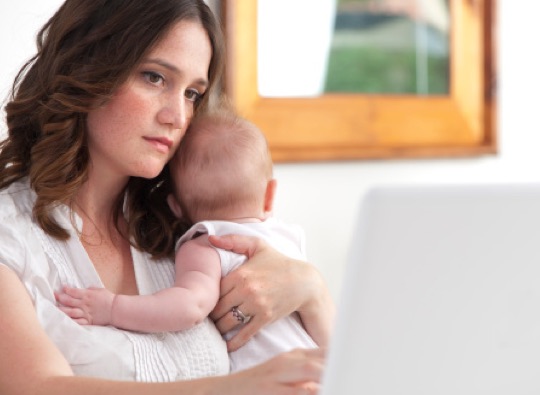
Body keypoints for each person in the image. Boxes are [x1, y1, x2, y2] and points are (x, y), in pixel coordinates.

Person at [0, 1, 334, 394]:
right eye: (154, 77)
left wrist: (312, 291)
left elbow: (340, 369)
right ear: (87, 68)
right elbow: (38, 387)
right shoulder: (12, 239)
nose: (177, 116)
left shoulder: (186, 226)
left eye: (193, 93)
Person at [56, 107, 320, 372]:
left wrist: (113, 307)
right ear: (270, 194)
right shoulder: (288, 238)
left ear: (175, 207)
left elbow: (189, 307)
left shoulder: (208, 244)